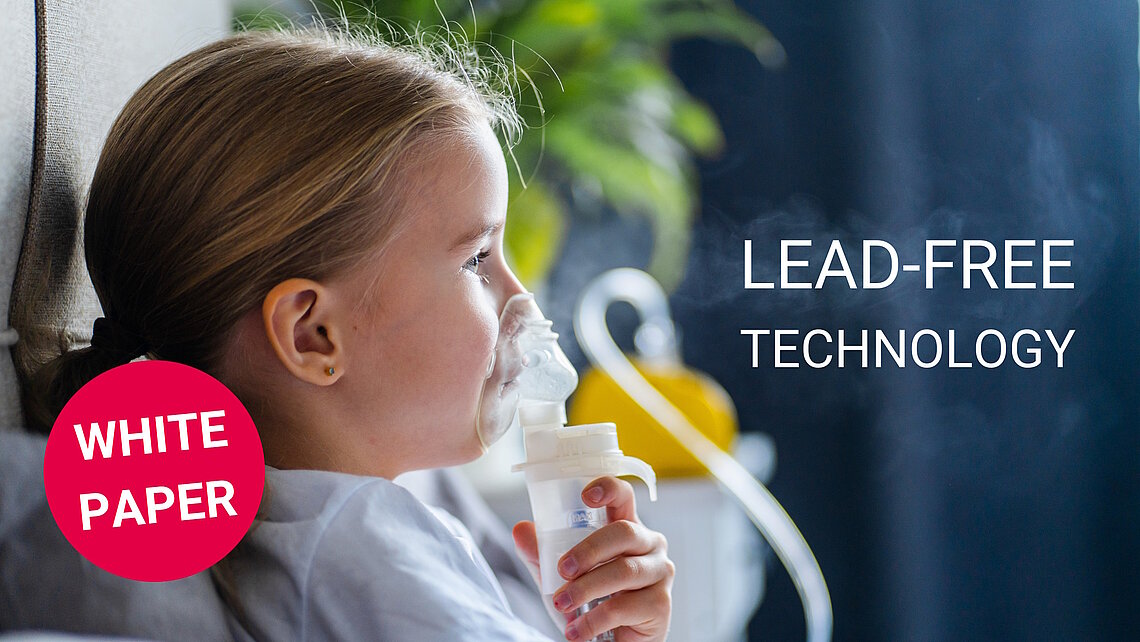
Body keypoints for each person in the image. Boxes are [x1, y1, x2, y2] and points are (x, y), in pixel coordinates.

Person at [25, 25, 674, 642]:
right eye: (476, 261)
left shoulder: (298, 527)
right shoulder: (367, 549)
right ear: (313, 335)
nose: (521, 299)